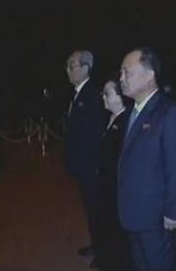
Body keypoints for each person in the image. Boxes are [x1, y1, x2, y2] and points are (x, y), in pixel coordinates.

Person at [118, 47, 176, 271]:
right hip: (135, 214)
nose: (121, 78)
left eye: (126, 72)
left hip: (158, 219)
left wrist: (174, 212)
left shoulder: (169, 113)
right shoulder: (134, 111)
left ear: (150, 75)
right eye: (120, 73)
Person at [64, 49, 107, 269]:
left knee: (98, 211)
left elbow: (96, 134)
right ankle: (97, 245)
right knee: (91, 209)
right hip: (83, 166)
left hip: (92, 167)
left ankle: (105, 253)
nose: (68, 70)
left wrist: (96, 166)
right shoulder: (78, 94)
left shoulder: (92, 95)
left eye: (72, 66)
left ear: (85, 68)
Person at [95, 77, 133, 271]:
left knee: (118, 230)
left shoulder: (126, 121)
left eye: (107, 93)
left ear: (120, 97)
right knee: (107, 225)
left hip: (117, 187)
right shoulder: (109, 118)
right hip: (106, 185)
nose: (103, 97)